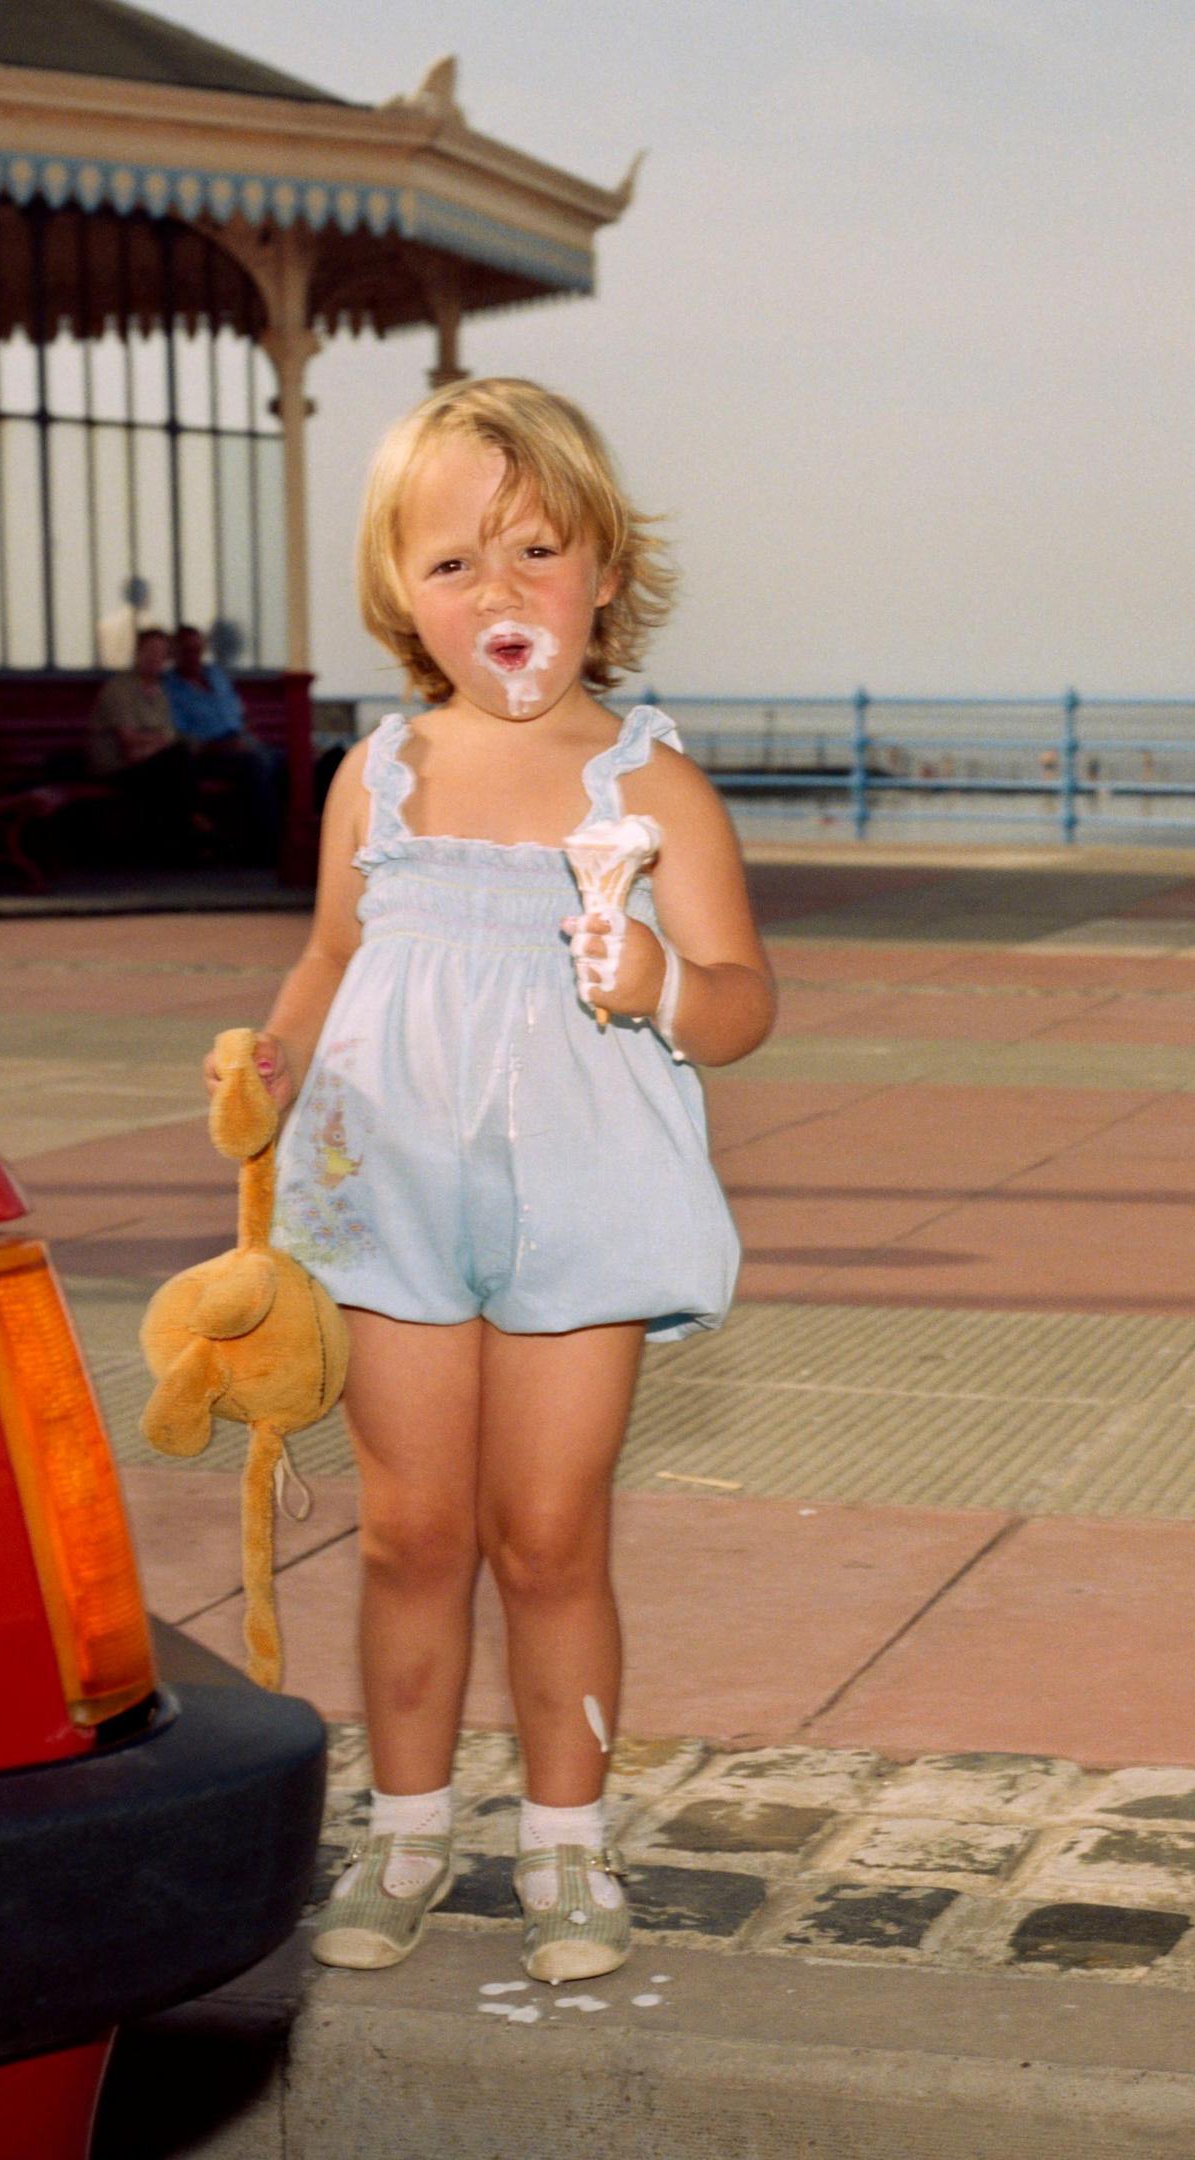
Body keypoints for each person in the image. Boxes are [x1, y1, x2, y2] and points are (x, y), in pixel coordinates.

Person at [239, 376, 769, 1985]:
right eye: (454, 564)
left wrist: (658, 985)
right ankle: (403, 1829)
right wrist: (262, 1075)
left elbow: (742, 1000)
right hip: (388, 1191)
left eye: (536, 551)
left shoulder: (654, 789)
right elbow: (333, 956)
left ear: (605, 569)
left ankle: (565, 1843)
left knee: (548, 1534)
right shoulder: (377, 777)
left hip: (582, 1197)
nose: (501, 596)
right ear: (402, 593)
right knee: (409, 1533)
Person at [168, 622, 283, 857]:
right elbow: (180, 737)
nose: (194, 656)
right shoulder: (169, 687)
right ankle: (267, 847)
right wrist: (223, 745)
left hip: (242, 742)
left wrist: (245, 736)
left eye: (198, 650)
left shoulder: (215, 674)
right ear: (175, 653)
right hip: (207, 754)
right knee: (256, 765)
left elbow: (238, 712)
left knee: (290, 762)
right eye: (187, 650)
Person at [88, 625, 192, 861]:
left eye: (162, 653)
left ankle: (179, 842)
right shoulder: (119, 688)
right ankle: (187, 838)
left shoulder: (160, 693)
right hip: (115, 766)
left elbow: (167, 737)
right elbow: (128, 741)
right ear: (137, 653)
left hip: (146, 762)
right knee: (177, 763)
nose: (156, 658)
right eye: (150, 651)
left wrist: (150, 745)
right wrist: (155, 744)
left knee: (179, 761)